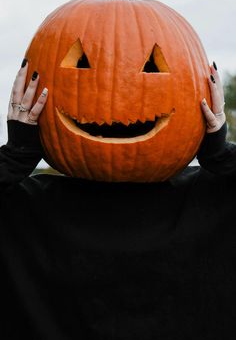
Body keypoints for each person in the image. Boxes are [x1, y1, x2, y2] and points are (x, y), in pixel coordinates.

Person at [0, 58, 235, 340]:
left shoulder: (21, 205)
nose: (116, 95)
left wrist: (14, 157)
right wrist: (222, 156)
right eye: (82, 63)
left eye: (150, 66)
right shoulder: (24, 207)